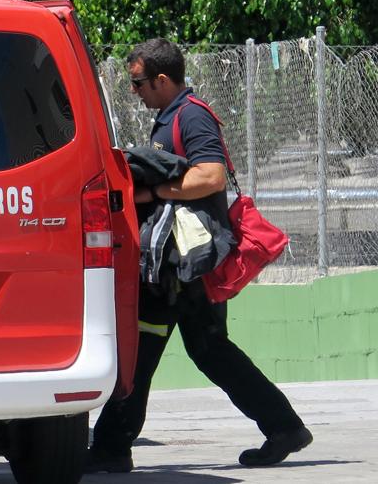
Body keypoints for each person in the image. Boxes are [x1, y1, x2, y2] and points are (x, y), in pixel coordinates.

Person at [88, 38, 312, 473]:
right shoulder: (169, 117)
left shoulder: (191, 116)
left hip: (182, 262)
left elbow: (209, 176)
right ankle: (284, 427)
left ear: (163, 79)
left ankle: (113, 448)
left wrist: (152, 191)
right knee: (208, 350)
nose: (135, 92)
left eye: (139, 83)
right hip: (179, 262)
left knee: (144, 347)